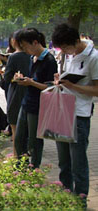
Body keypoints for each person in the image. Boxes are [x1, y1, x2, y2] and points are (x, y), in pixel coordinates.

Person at [52, 23, 98, 204]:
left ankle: (80, 201)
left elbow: (96, 90)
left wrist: (73, 86)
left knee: (78, 162)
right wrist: (60, 80)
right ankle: (65, 195)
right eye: (60, 48)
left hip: (79, 115)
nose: (63, 51)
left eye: (65, 47)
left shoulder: (93, 58)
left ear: (75, 41)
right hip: (63, 110)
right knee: (63, 160)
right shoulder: (69, 56)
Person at [14, 28, 57, 168]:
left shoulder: (49, 60)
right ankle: (21, 167)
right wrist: (22, 79)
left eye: (26, 46)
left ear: (35, 42)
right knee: (19, 139)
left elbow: (50, 88)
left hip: (39, 106)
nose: (25, 49)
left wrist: (31, 82)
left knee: (34, 141)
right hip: (26, 102)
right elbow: (33, 79)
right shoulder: (32, 58)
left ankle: (34, 169)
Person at [4, 30, 31, 156]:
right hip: (30, 92)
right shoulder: (31, 55)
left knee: (15, 126)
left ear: (15, 41)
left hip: (16, 92)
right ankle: (26, 154)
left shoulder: (13, 56)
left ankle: (16, 155)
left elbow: (7, 77)